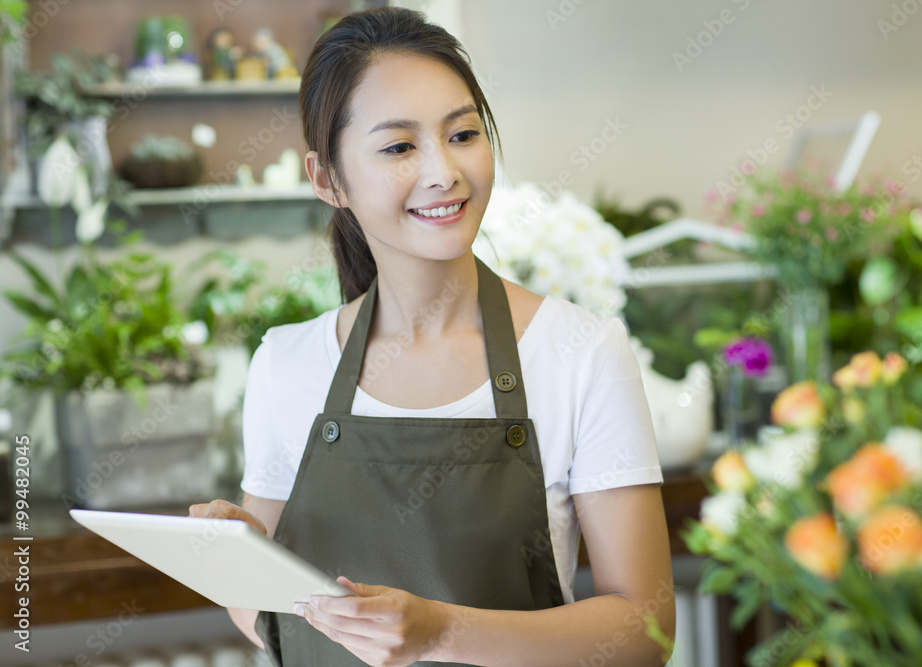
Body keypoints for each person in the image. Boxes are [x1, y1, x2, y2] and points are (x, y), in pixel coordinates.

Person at [189, 7, 674, 666]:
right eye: (399, 146)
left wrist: (442, 630)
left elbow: (644, 630)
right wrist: (241, 566)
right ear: (327, 180)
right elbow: (266, 621)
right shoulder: (287, 362)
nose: (444, 172)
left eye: (463, 133)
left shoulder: (580, 352)